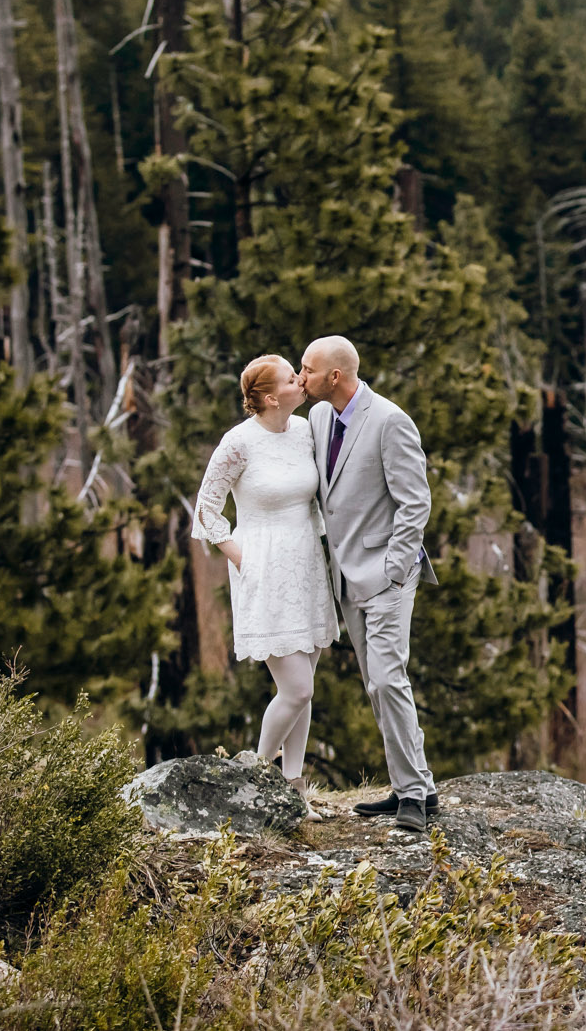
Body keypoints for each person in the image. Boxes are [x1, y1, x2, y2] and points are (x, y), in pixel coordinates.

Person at [191, 354, 340, 813]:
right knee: (296, 688)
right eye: (294, 378)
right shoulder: (238, 443)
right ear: (272, 396)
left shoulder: (304, 432)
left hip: (308, 567)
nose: (303, 381)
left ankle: (295, 791)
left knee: (305, 685)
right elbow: (206, 509)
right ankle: (255, 776)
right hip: (265, 569)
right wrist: (242, 557)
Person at [301, 335, 438, 833]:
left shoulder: (390, 421)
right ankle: (416, 784)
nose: (301, 378)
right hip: (344, 578)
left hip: (386, 577)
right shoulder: (318, 418)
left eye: (307, 370)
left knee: (387, 679)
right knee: (377, 684)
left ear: (334, 377)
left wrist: (394, 571)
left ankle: (413, 802)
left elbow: (415, 503)